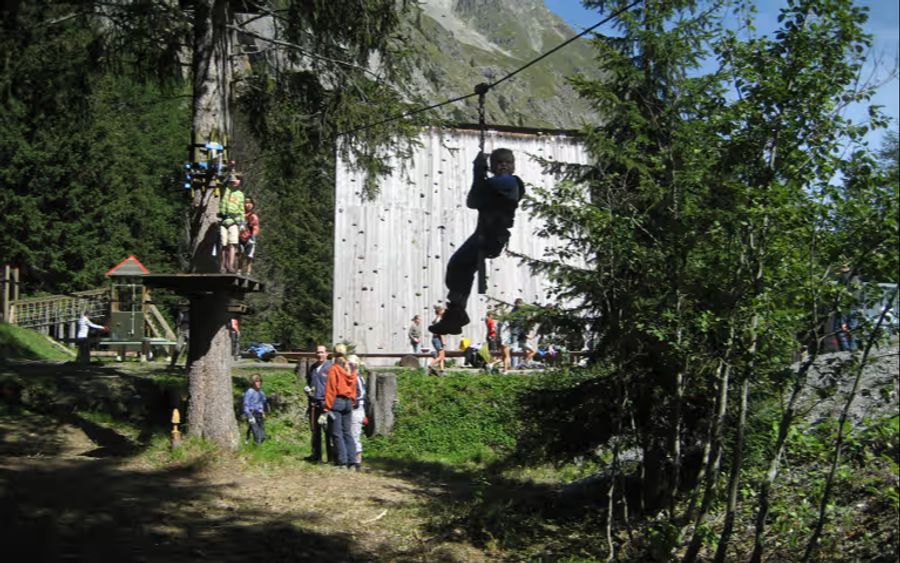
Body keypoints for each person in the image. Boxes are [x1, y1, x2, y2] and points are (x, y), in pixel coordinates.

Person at [429, 148, 526, 336]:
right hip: (486, 235)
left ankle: (456, 312)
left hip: (489, 236)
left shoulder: (509, 182)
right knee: (462, 269)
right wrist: (480, 174)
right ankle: (456, 312)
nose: (503, 165)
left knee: (458, 265)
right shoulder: (496, 184)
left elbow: (473, 200)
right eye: (499, 162)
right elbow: (475, 199)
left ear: (513, 166)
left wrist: (478, 172)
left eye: (507, 162)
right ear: (493, 166)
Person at [322, 344, 358, 469]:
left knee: (337, 433)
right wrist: (352, 400)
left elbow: (330, 389)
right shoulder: (351, 369)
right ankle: (352, 461)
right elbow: (353, 387)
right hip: (348, 402)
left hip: (337, 402)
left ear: (334, 354)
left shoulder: (334, 369)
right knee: (347, 432)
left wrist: (327, 407)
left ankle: (342, 461)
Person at [304, 345, 333, 463]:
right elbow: (309, 382)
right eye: (317, 352)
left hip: (326, 403)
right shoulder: (313, 367)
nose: (319, 354)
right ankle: (316, 456)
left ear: (327, 354)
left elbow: (333, 386)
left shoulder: (330, 367)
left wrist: (329, 403)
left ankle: (331, 457)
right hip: (314, 403)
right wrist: (307, 390)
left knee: (328, 431)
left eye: (322, 352)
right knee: (315, 431)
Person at [218, 173, 245, 274]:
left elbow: (242, 209)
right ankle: (222, 265)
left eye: (238, 179)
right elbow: (223, 183)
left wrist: (242, 223)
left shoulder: (240, 194)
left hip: (234, 221)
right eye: (234, 179)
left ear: (240, 182)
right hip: (224, 220)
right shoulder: (226, 190)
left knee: (232, 244)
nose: (236, 181)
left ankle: (230, 264)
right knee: (223, 243)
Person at [348, 354, 367, 471]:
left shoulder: (358, 378)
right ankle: (351, 459)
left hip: (357, 409)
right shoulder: (351, 377)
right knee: (350, 434)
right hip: (352, 408)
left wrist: (351, 400)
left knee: (355, 435)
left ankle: (357, 461)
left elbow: (361, 394)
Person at [243, 373, 267, 444]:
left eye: (259, 381)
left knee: (262, 434)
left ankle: (256, 443)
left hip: (259, 414)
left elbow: (261, 403)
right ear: (253, 383)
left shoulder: (261, 393)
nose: (258, 383)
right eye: (256, 381)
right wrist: (249, 416)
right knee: (256, 434)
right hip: (252, 414)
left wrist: (262, 412)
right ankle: (256, 447)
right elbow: (246, 405)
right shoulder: (250, 392)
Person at [239, 195, 260, 275]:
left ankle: (248, 272)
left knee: (249, 256)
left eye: (250, 203)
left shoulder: (253, 216)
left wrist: (252, 236)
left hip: (250, 238)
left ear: (252, 205)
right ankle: (239, 270)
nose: (248, 204)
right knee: (240, 254)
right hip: (241, 237)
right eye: (246, 202)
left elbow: (256, 227)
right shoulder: (241, 215)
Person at [168, 304, 190, 369]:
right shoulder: (180, 312)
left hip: (189, 330)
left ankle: (188, 364)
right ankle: (172, 364)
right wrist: (178, 329)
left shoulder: (189, 312)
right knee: (177, 347)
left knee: (188, 349)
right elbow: (178, 322)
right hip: (182, 331)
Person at [428, 304, 447, 375]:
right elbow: (440, 331)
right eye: (443, 311)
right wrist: (443, 340)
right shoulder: (439, 320)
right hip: (437, 339)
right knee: (441, 356)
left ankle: (442, 370)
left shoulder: (437, 318)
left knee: (442, 355)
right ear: (440, 311)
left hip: (435, 338)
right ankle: (430, 365)